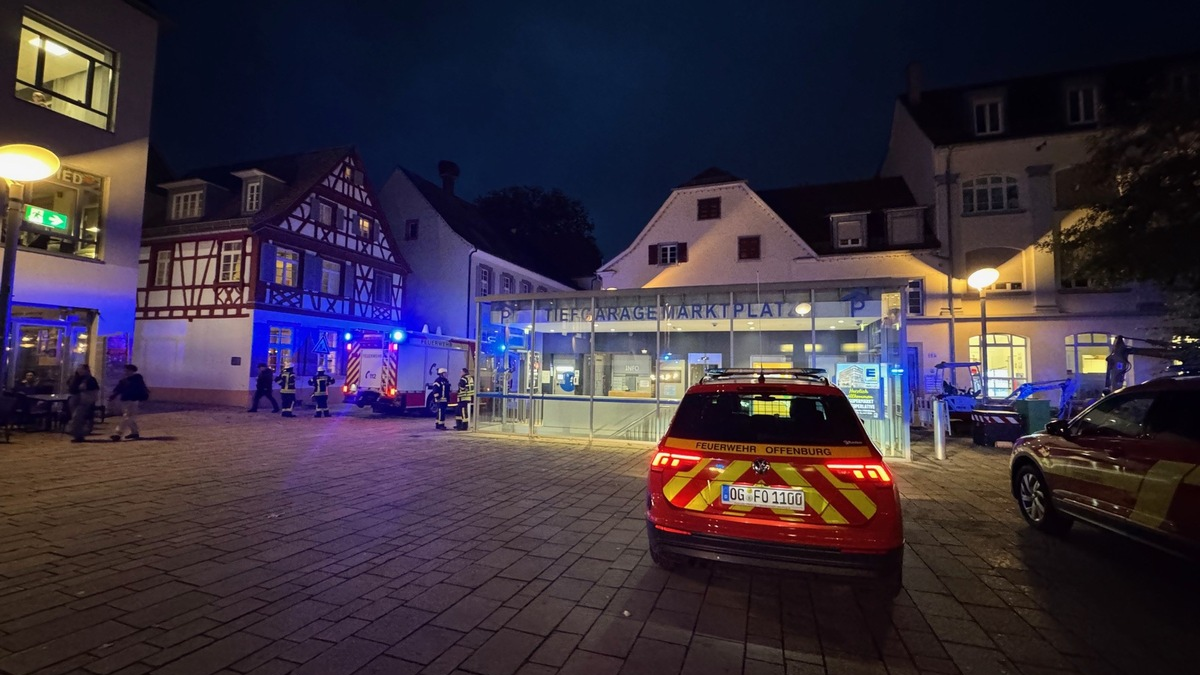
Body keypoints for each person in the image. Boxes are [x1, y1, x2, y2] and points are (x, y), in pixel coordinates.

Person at [109, 364, 149, 441]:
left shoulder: (136, 378)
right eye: (125, 370)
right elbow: (118, 389)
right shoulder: (125, 380)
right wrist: (113, 396)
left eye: (127, 370)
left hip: (132, 399)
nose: (125, 371)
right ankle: (134, 432)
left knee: (127, 416)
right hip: (126, 400)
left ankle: (118, 433)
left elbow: (140, 388)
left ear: (132, 371)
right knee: (129, 417)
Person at [65, 364, 99, 443]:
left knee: (77, 416)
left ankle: (77, 433)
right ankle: (78, 434)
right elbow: (70, 387)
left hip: (84, 400)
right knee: (75, 416)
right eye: (79, 369)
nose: (80, 371)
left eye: (82, 369)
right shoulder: (74, 378)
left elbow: (94, 391)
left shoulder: (90, 379)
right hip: (74, 398)